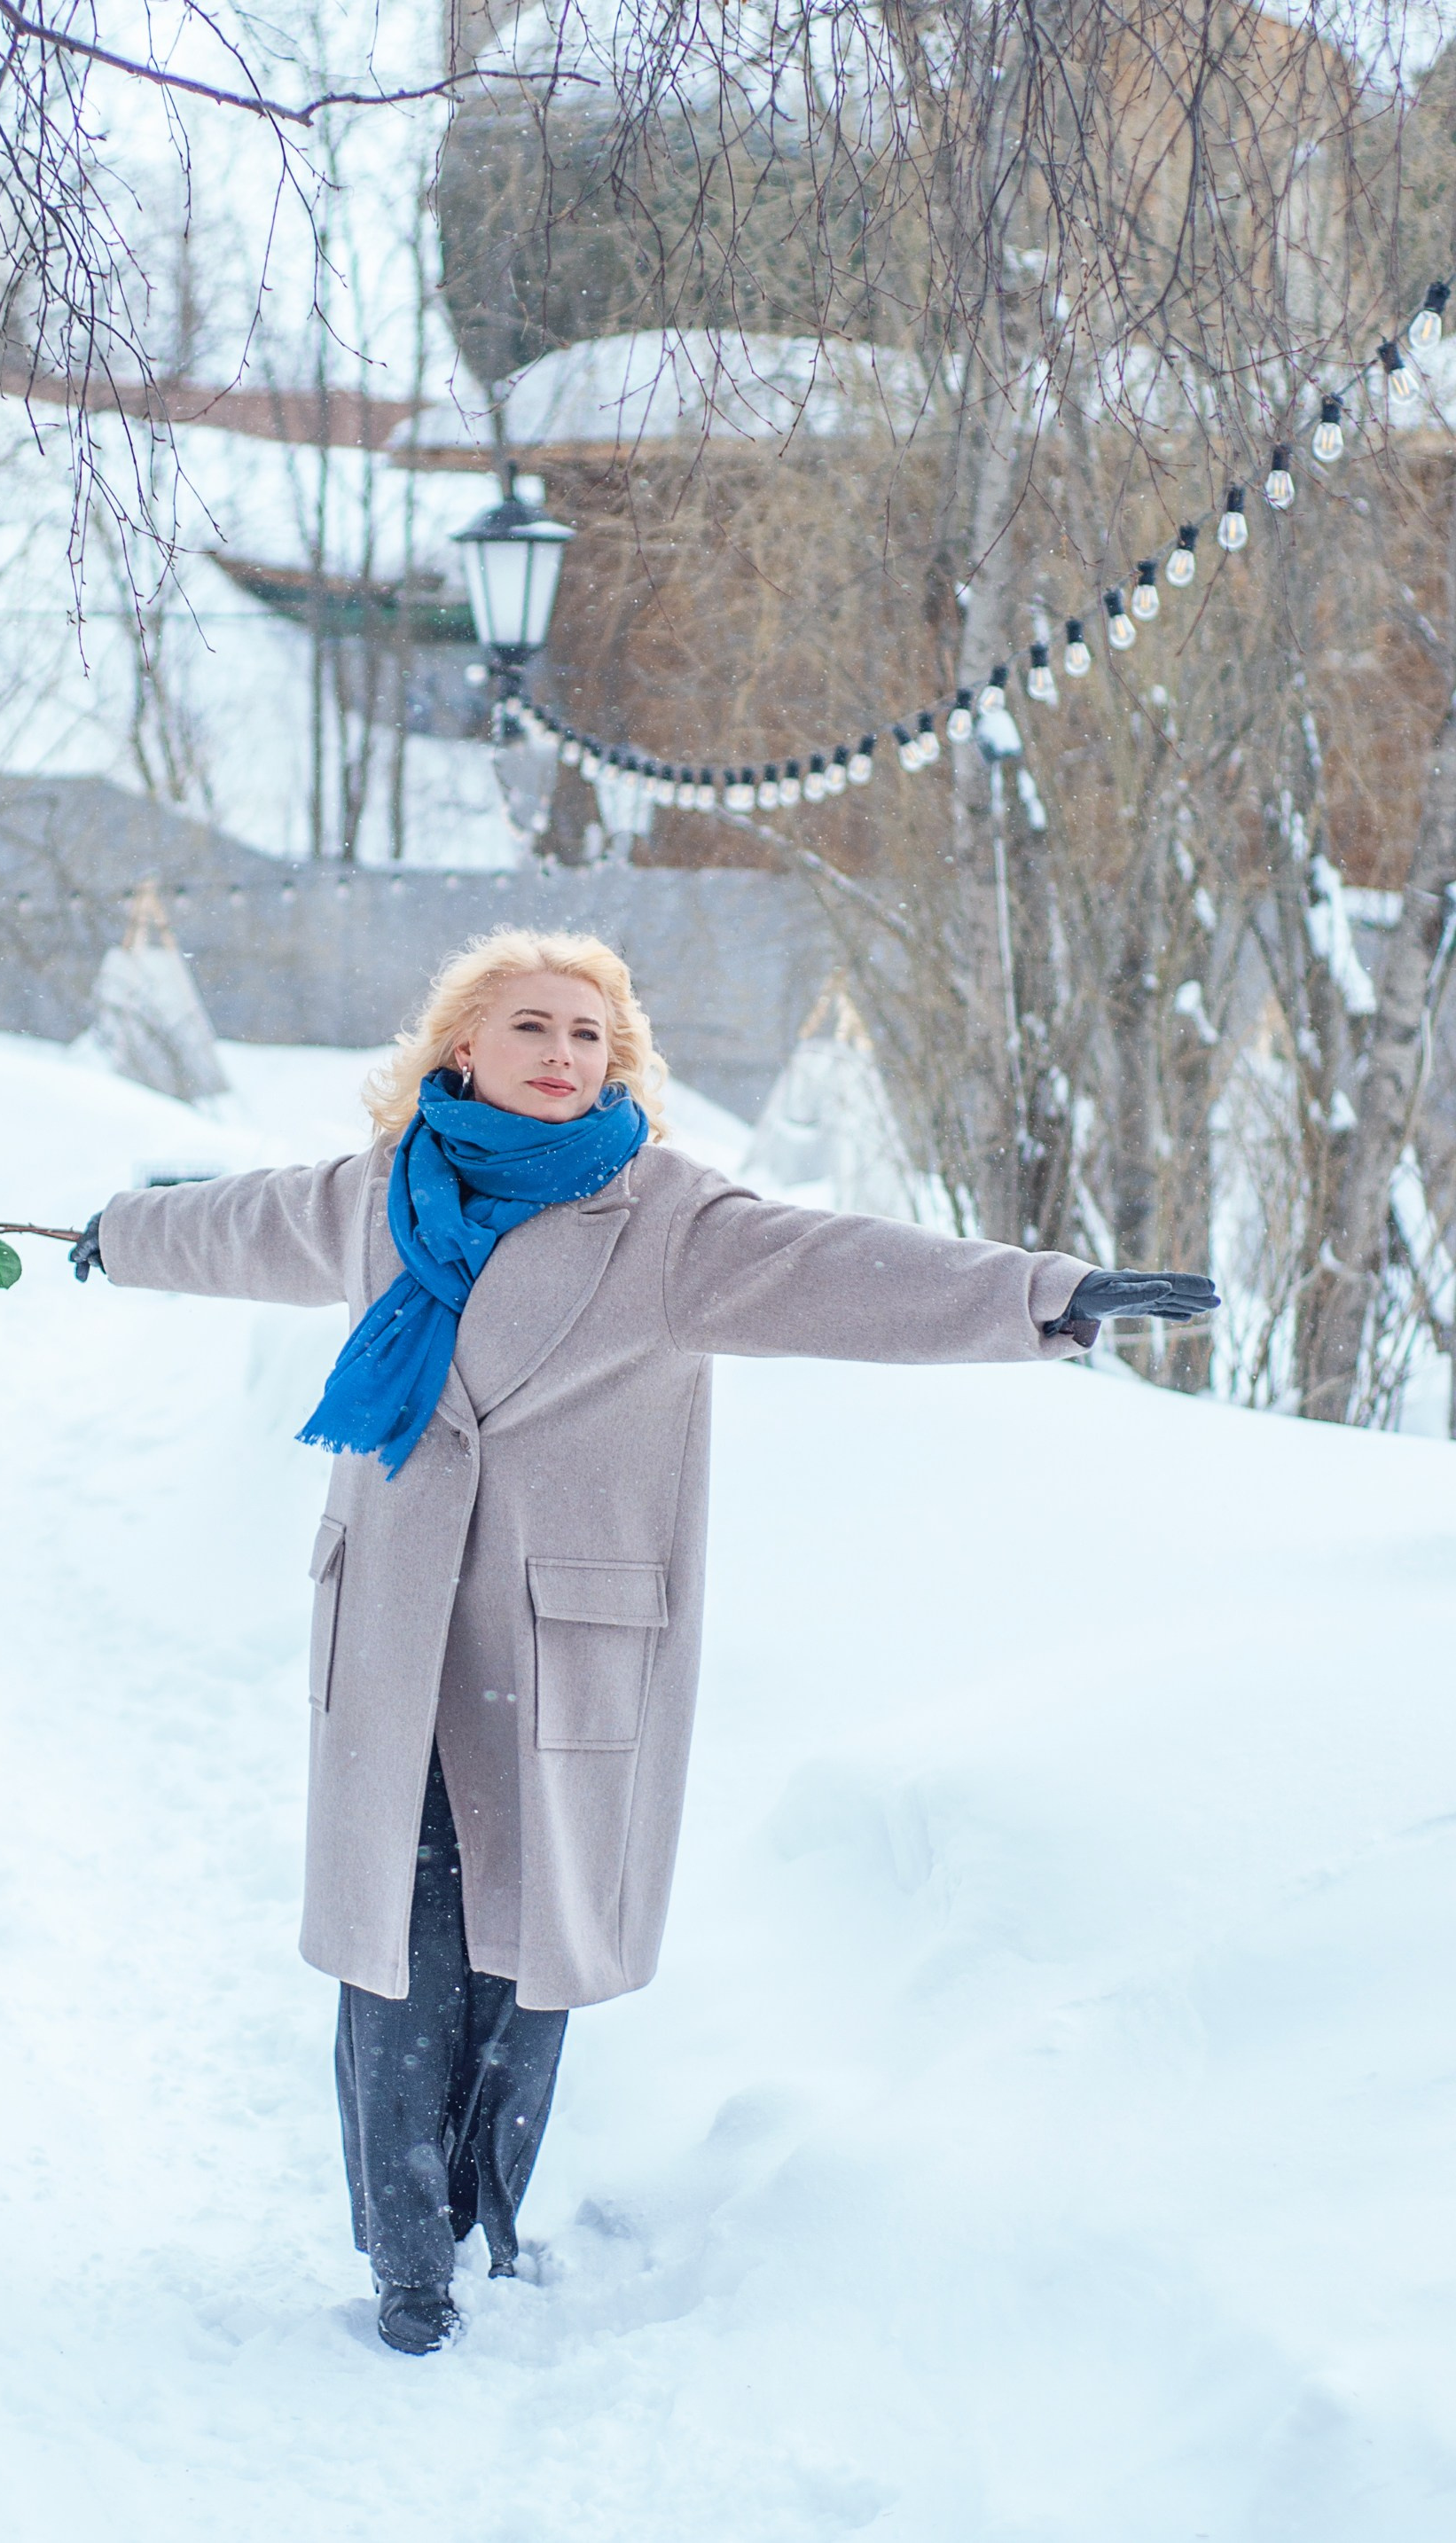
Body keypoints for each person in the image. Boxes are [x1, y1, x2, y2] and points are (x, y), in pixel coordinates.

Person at [72, 928, 1215, 2354]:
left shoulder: (666, 1219)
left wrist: (1045, 1291)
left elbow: (847, 1269)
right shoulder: (379, 1196)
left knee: (525, 1949)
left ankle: (488, 2216)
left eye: (590, 1038)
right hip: (392, 1631)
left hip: (559, 1644)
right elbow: (238, 1223)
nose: (564, 1058)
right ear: (461, 1053)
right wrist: (114, 1235)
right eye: (535, 1030)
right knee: (398, 1946)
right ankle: (409, 2256)